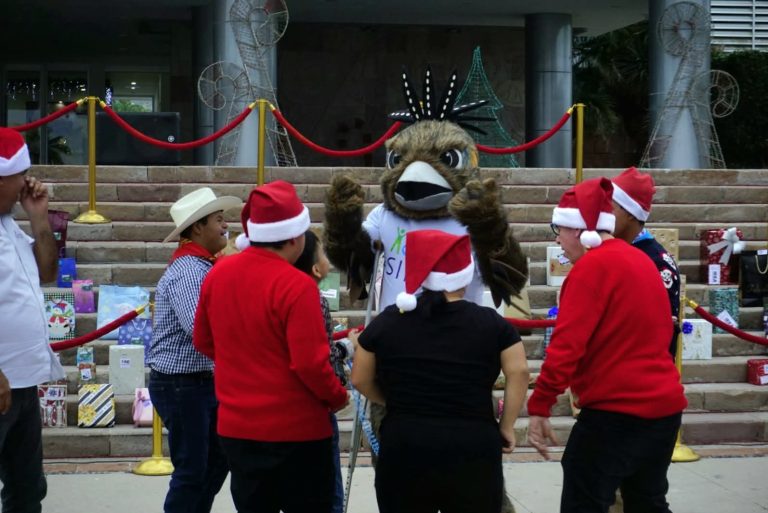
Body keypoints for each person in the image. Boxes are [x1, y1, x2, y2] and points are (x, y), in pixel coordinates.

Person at [526, 177, 688, 513]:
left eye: (560, 227)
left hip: (617, 412)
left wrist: (540, 404)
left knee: (583, 502)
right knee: (647, 502)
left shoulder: (591, 268)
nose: (557, 238)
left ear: (580, 230)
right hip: (663, 409)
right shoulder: (642, 260)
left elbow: (566, 347)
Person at [193, 180, 349, 513]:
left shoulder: (218, 273)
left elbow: (203, 340)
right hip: (299, 430)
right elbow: (310, 364)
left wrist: (241, 364)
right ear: (295, 238)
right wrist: (338, 397)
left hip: (238, 426)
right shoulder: (298, 286)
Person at [351, 229, 529, 513]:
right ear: (465, 274)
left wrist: (393, 400)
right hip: (472, 442)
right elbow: (519, 371)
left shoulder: (389, 322)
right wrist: (506, 426)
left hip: (406, 441)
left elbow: (359, 377)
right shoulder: (492, 324)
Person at [146, 187, 241, 513]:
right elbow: (200, 329)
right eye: (219, 219)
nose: (225, 226)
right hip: (182, 383)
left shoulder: (201, 267)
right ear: (198, 227)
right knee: (192, 469)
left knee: (214, 461)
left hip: (195, 381)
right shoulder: (189, 271)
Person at [0, 127, 65, 512]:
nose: (27, 183)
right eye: (18, 177)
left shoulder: (9, 225)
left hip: (22, 382)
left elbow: (47, 273)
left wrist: (39, 218)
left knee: (26, 489)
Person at [294, 229, 349, 513]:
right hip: (314, 410)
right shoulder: (309, 297)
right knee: (328, 495)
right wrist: (338, 396)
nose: (329, 260)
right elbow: (315, 360)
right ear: (315, 267)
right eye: (323, 253)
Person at [611, 166, 680, 357]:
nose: (603, 214)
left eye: (610, 207)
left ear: (631, 213)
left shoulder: (657, 262)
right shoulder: (611, 250)